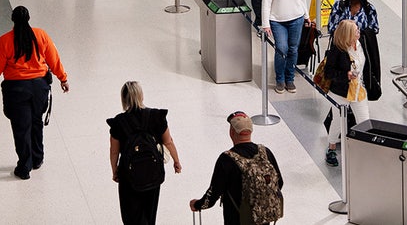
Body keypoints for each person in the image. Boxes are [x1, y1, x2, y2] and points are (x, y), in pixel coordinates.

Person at [0, 6, 70, 180]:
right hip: (39, 88)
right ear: (29, 18)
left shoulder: (5, 41)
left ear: (12, 20)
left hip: (16, 90)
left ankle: (24, 166)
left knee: (22, 128)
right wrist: (63, 78)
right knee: (36, 121)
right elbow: (53, 58)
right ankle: (37, 158)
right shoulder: (41, 35)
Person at [107, 81, 182, 224]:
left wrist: (115, 170)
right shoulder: (156, 116)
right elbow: (168, 142)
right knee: (149, 213)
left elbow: (114, 151)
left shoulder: (118, 122)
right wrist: (176, 161)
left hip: (128, 176)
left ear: (124, 99)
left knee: (131, 216)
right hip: (152, 173)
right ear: (141, 95)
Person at [190, 111, 284, 225]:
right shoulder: (265, 152)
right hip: (263, 218)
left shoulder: (226, 159)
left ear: (231, 132)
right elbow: (279, 183)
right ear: (250, 131)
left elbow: (213, 194)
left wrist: (197, 204)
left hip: (237, 219)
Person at [322, 19, 372, 166]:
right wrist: (346, 75)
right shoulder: (337, 50)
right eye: (356, 30)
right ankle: (331, 147)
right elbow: (329, 73)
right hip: (341, 92)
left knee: (364, 121)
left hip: (358, 90)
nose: (359, 32)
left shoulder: (360, 44)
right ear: (348, 34)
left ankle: (365, 149)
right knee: (338, 121)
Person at [262, 0, 310, 93]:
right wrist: (266, 24)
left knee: (293, 49)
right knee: (281, 49)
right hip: (277, 21)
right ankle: (280, 79)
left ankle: (290, 79)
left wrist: (306, 15)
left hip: (296, 18)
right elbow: (266, 3)